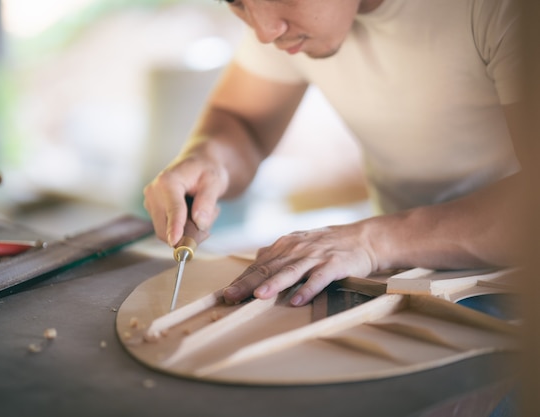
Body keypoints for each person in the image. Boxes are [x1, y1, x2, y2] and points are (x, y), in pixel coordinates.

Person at [143, 0, 524, 308]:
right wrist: (209, 159)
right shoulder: (283, 20)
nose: (263, 31)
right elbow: (244, 122)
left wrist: (373, 242)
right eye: (237, 2)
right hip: (400, 275)